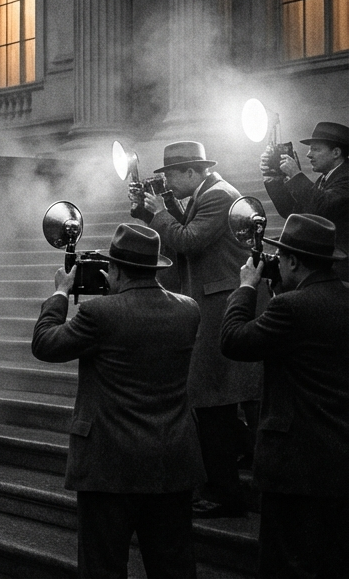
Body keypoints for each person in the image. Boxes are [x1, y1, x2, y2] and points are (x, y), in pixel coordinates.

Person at [32, 224, 204, 577]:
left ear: (117, 270)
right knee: (173, 566)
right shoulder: (189, 310)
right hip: (171, 459)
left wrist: (61, 294)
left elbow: (46, 344)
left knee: (104, 566)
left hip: (110, 464)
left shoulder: (101, 315)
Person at [132, 141, 260, 517]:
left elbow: (187, 241)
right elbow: (183, 238)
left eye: (171, 175)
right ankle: (226, 480)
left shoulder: (219, 196)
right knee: (213, 400)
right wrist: (148, 211)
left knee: (213, 400)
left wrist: (159, 213)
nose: (167, 182)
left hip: (222, 307)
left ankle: (224, 494)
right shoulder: (206, 193)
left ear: (193, 172)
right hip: (213, 304)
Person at [222, 214, 349, 576]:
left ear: (293, 260)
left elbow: (233, 340)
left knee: (287, 563)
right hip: (340, 461)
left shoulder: (290, 308)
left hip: (295, 467)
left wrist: (247, 287)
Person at [262, 121, 349, 281]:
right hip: (331, 270)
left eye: (315, 149)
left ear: (336, 152)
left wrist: (296, 175)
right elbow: (294, 212)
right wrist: (274, 178)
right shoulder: (325, 179)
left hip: (343, 272)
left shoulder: (346, 178)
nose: (308, 154)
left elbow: (322, 208)